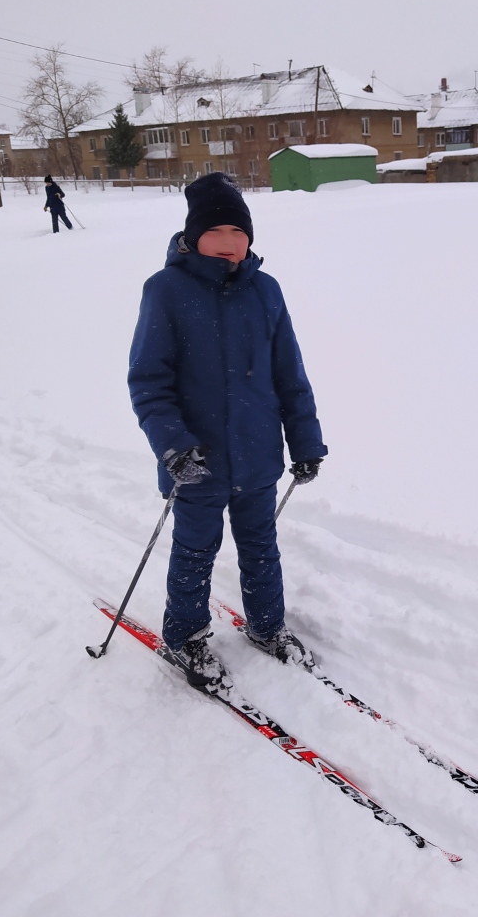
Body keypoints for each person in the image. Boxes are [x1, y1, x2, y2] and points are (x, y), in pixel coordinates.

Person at [128, 173, 327, 689]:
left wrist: (305, 441)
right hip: (197, 462)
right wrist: (174, 446)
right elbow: (148, 382)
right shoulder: (166, 290)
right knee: (195, 550)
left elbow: (290, 375)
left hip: (258, 456)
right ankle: (185, 636)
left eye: (239, 232)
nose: (230, 242)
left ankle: (267, 626)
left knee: (261, 546)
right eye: (217, 231)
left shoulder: (266, 290)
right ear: (193, 235)